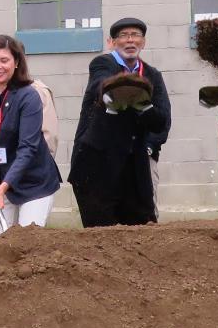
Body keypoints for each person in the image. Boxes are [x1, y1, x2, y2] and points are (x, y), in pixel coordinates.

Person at [68, 17, 170, 227]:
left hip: (134, 165)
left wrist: (143, 105)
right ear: (111, 42)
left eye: (135, 35)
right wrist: (117, 92)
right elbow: (99, 84)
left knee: (141, 227)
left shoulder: (152, 75)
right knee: (101, 231)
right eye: (123, 36)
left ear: (143, 42)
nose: (130, 40)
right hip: (96, 162)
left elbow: (161, 121)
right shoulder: (103, 64)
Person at [0, 35, 62, 236]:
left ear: (17, 62)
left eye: (4, 60)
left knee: (26, 243)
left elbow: (28, 148)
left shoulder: (29, 96)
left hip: (34, 182)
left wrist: (2, 189)